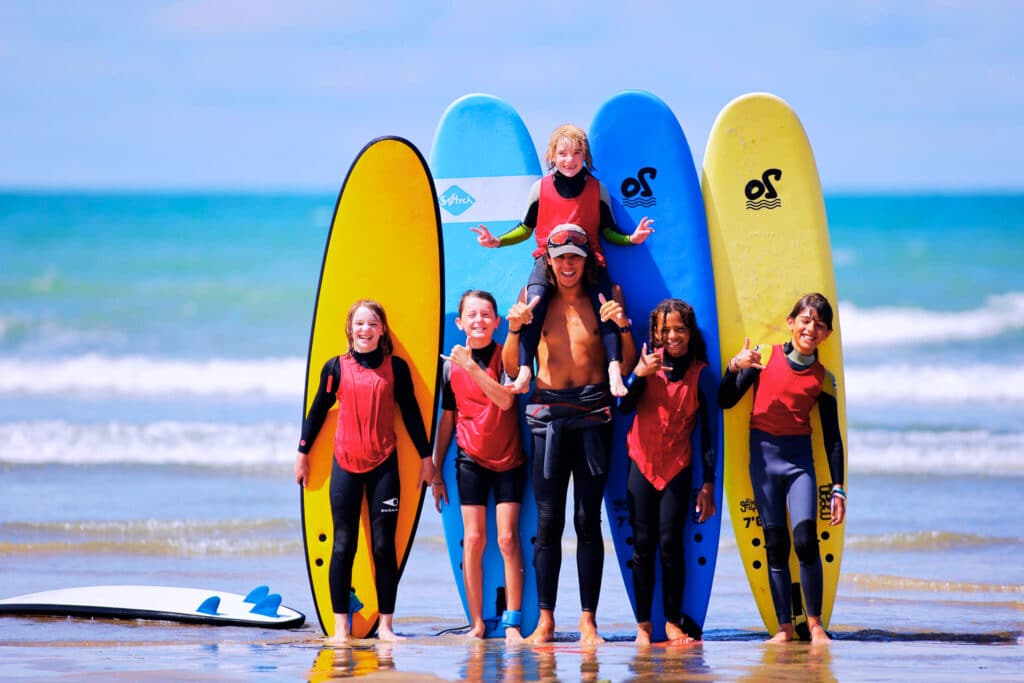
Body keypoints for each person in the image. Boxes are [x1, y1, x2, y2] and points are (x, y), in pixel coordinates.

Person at [502, 226, 637, 645]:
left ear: (585, 259)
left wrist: (624, 325)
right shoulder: (535, 302)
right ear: (549, 260)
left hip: (594, 413)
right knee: (548, 522)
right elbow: (511, 368)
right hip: (547, 416)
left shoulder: (604, 296)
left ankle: (588, 621)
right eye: (560, 257)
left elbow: (627, 362)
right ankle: (545, 620)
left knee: (587, 520)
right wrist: (512, 327)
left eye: (574, 257)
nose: (567, 265)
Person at [471, 123, 654, 398]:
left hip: (589, 260)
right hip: (548, 261)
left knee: (605, 307)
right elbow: (525, 228)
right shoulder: (540, 189)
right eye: (563, 153)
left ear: (585, 157)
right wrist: (497, 241)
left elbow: (608, 231)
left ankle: (614, 367)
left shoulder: (597, 189)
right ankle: (524, 370)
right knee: (534, 303)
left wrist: (631, 239)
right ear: (553, 156)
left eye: (577, 153)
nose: (570, 160)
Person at [294, 299, 434, 644]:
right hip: (345, 463)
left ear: (382, 329)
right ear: (349, 328)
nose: (365, 330)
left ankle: (386, 626)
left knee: (384, 547)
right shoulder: (335, 369)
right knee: (343, 546)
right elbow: (317, 411)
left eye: (372, 324)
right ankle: (341, 629)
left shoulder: (396, 369)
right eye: (359, 324)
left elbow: (413, 414)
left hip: (385, 464)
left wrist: (427, 457)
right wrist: (302, 452)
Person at [718, 292, 846, 645]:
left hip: (799, 464)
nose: (811, 328)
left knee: (805, 540)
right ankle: (784, 629)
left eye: (819, 325)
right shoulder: (764, 356)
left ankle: (816, 624)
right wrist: (734, 366)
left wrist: (838, 487)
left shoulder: (824, 378)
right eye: (805, 320)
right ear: (791, 323)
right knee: (775, 544)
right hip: (762, 462)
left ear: (826, 335)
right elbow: (724, 400)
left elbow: (833, 439)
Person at [618, 299, 718, 646]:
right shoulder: (647, 367)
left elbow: (709, 433)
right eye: (666, 330)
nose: (672, 335)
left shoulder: (702, 375)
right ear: (656, 334)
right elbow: (623, 407)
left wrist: (708, 485)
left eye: (679, 329)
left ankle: (673, 623)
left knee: (671, 545)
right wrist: (637, 376)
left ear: (690, 333)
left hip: (677, 467)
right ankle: (644, 625)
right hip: (641, 464)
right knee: (642, 546)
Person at [431, 289, 527, 642]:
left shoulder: (507, 358)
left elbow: (504, 401)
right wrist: (436, 468)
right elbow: (447, 417)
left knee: (506, 538)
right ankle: (476, 623)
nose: (479, 320)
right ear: (460, 323)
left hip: (509, 458)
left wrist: (471, 365)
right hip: (469, 458)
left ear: (497, 322)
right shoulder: (447, 367)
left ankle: (513, 622)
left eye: (486, 315)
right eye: (471, 315)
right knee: (473, 539)